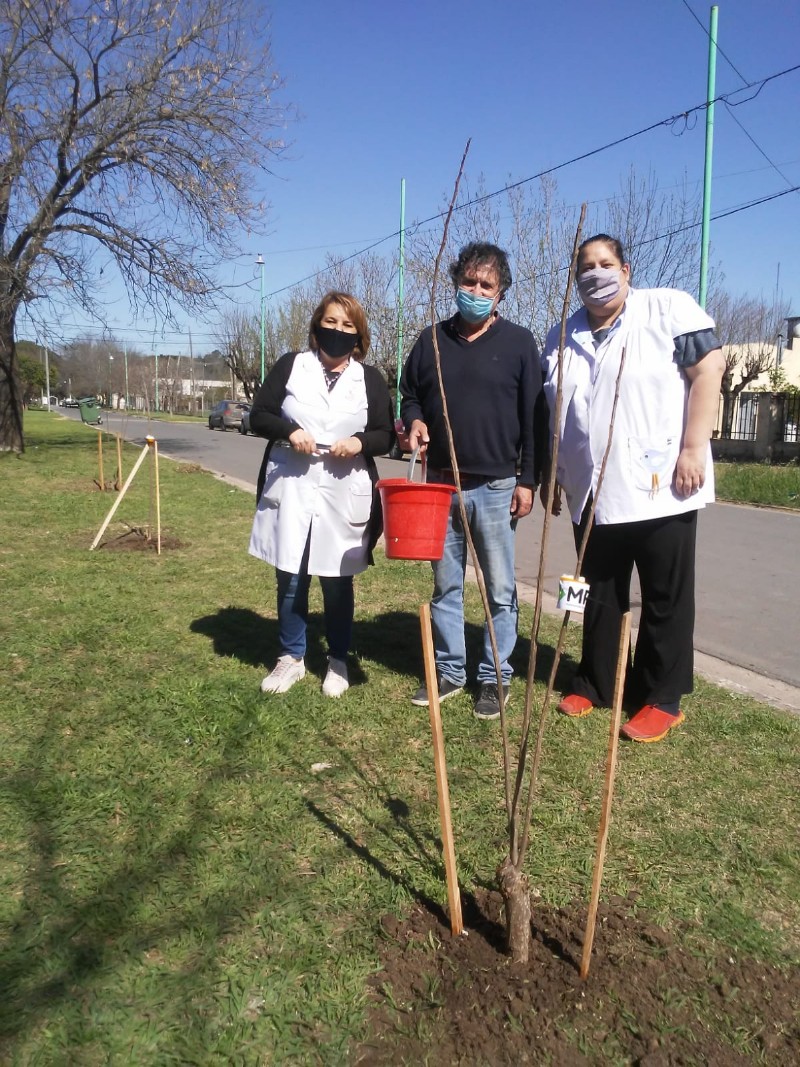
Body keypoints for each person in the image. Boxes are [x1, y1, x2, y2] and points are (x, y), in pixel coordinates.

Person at [541, 234, 726, 742]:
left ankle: (661, 696)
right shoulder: (560, 335)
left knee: (665, 594)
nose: (595, 273)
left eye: (605, 264)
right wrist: (555, 473)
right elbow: (557, 415)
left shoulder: (668, 309)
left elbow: (711, 368)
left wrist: (694, 447)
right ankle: (595, 680)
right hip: (589, 492)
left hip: (662, 483)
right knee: (592, 591)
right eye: (586, 266)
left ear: (626, 269)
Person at [399, 241, 544, 721]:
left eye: (487, 285)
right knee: (445, 586)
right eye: (469, 282)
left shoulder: (521, 345)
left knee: (499, 589)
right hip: (442, 484)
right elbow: (410, 394)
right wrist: (415, 419)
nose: (476, 291)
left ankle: (494, 676)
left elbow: (533, 419)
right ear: (456, 282)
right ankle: (450, 670)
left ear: (500, 293)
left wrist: (528, 479)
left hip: (498, 485)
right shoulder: (431, 341)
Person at [248, 291, 394, 697]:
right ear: (317, 325)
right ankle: (291, 657)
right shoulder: (292, 366)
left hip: (342, 489)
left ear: (359, 335)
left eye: (347, 325)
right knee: (290, 576)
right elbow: (258, 414)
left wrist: (360, 442)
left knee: (336, 578)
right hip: (292, 485)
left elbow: (386, 434)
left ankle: (338, 660)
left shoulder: (369, 379)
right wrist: (289, 431)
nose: (338, 331)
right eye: (331, 322)